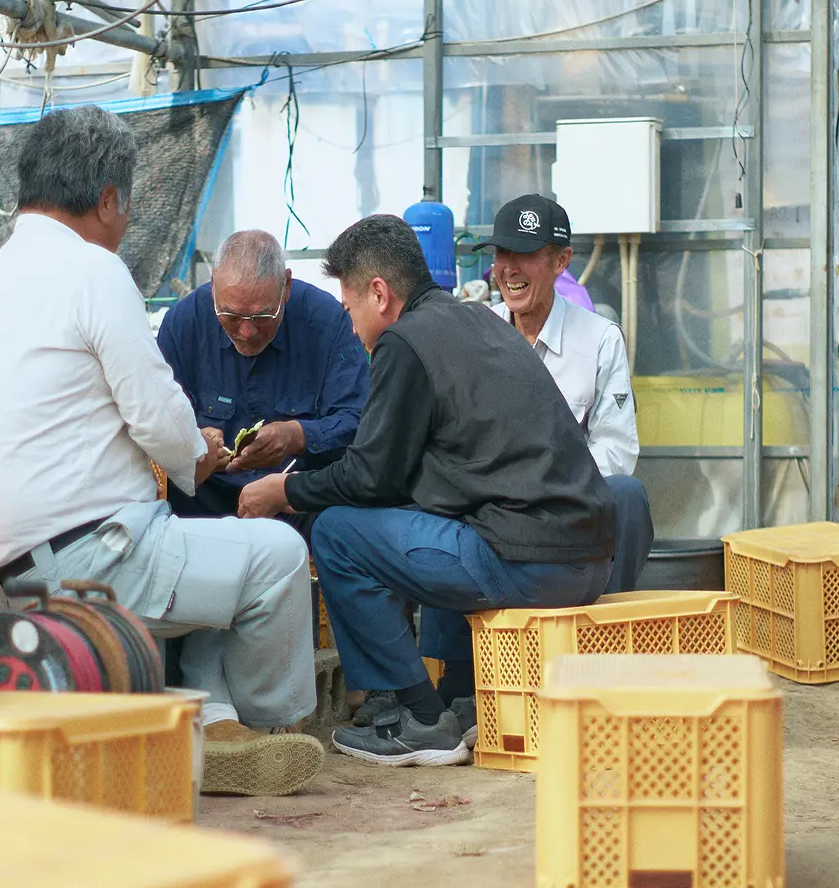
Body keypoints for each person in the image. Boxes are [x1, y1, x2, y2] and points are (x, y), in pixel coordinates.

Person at [0, 106, 324, 797]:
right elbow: (158, 417)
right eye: (126, 208)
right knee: (274, 556)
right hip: (96, 559)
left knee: (214, 558)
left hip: (10, 569)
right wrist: (199, 451)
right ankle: (279, 728)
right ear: (108, 199)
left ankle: (216, 721)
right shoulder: (93, 273)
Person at [237, 214, 616, 767]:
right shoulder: (481, 321)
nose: (350, 327)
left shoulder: (403, 342)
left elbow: (371, 478)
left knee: (338, 531)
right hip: (588, 558)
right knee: (426, 522)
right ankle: (460, 700)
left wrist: (286, 489)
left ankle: (415, 717)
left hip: (530, 564)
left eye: (349, 311)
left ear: (379, 294)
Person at [407, 195, 655, 734]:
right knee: (442, 505)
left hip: (568, 506)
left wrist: (547, 483)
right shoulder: (474, 331)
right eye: (501, 255)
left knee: (628, 496)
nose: (508, 270)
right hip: (492, 504)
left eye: (526, 255)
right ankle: (461, 680)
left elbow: (618, 450)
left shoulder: (598, 340)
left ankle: (600, 657)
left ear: (561, 261)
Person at [157, 230, 370, 541]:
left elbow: (360, 422)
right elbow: (152, 423)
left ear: (286, 286)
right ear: (214, 283)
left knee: (344, 527)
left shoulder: (327, 322)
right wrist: (193, 446)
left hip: (295, 502)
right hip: (205, 504)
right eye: (230, 316)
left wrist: (298, 435)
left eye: (263, 316)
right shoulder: (184, 323)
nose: (246, 331)